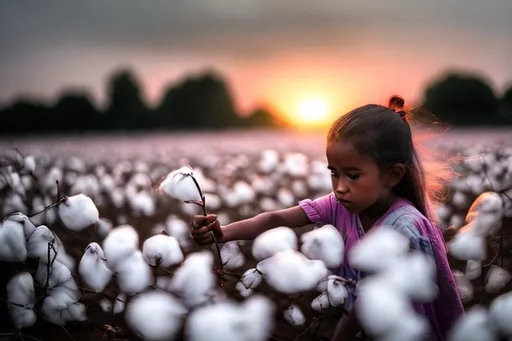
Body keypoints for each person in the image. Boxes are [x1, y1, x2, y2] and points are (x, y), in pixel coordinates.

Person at [191, 96, 464, 341]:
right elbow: (276, 219)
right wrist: (223, 232)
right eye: (334, 173)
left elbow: (373, 302)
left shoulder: (405, 227)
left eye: (352, 175)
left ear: (392, 175)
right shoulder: (340, 206)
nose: (340, 186)